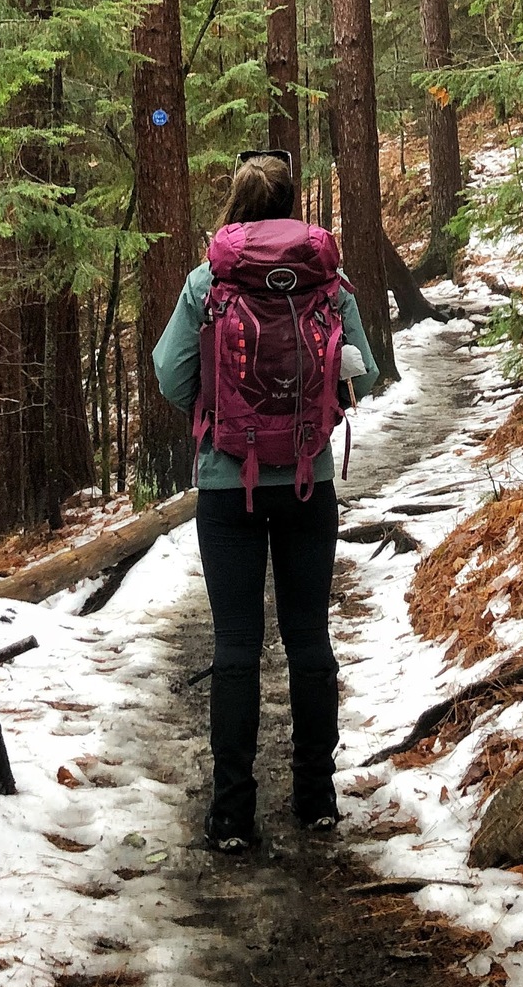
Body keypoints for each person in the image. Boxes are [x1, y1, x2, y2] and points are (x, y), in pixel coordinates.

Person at [153, 151, 379, 852]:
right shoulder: (327, 279)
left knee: (236, 644)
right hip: (309, 481)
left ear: (238, 203)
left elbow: (169, 376)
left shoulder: (208, 282)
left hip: (229, 486)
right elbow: (365, 376)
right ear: (291, 203)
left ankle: (231, 814)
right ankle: (316, 798)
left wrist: (222, 413)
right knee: (309, 638)